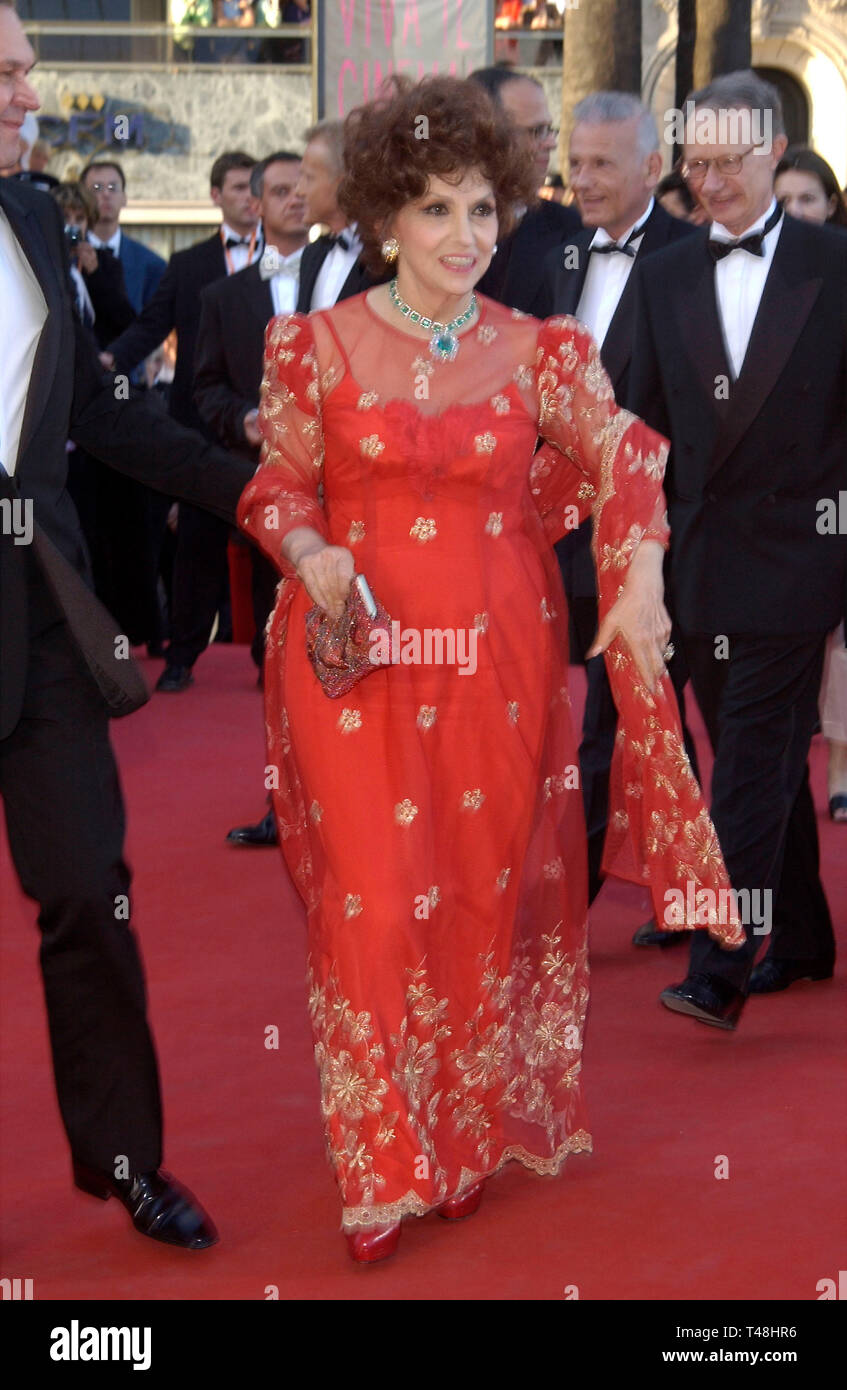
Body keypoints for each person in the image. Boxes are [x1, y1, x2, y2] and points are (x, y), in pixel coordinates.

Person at [237, 74, 742, 1264]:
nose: (465, 238)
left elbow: (624, 456)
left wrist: (641, 578)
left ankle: (459, 1136)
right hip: (355, 658)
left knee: (471, 898)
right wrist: (305, 550)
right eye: (434, 212)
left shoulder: (545, 351)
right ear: (381, 220)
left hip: (499, 664)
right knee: (369, 901)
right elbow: (275, 485)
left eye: (481, 209)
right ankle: (378, 1164)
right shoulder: (310, 345)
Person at [0, 0, 256, 1247]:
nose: (26, 93)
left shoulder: (36, 216)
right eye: (2, 74)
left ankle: (127, 1158)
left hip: (40, 617)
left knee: (89, 890)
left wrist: (262, 496)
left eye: (27, 70)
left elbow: (99, 410)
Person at [628, 71, 846, 1024]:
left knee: (750, 758)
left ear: (773, 154)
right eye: (693, 161)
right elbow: (637, 414)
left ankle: (723, 956)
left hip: (803, 559)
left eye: (723, 161)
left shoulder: (833, 266)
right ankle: (799, 934)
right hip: (700, 561)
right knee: (756, 751)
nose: (705, 180)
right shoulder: (665, 268)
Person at [536, 92, 700, 942]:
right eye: (576, 159)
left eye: (602, 163)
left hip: (654, 536)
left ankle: (568, 903)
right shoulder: (560, 255)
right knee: (639, 715)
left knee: (613, 714)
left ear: (649, 168)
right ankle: (685, 894)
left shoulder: (690, 256)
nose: (582, 176)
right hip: (569, 524)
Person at [106, 151, 262, 692]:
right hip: (201, 431)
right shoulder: (189, 264)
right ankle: (182, 657)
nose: (248, 196)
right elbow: (152, 327)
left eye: (253, 187)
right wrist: (105, 366)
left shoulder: (295, 262)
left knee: (272, 548)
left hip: (273, 434)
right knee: (196, 548)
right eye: (238, 187)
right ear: (216, 195)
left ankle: (272, 657)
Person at [194, 151, 307, 678]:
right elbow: (206, 384)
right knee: (268, 571)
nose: (297, 198)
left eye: (304, 186)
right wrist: (242, 419)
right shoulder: (221, 297)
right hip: (258, 462)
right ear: (257, 203)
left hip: (344, 459)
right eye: (282, 190)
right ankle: (274, 662)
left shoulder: (356, 282)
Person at [774, 147, 847, 824]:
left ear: (830, 205)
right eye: (785, 200)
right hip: (786, 503)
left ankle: (842, 763)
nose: (797, 213)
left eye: (808, 200)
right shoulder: (755, 289)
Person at [469, 66, 581, 312]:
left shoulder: (572, 233)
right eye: (536, 132)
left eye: (549, 130)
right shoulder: (424, 231)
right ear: (487, 136)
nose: (550, 143)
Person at [295, 120, 381, 312]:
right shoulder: (312, 255)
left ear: (343, 184)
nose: (299, 190)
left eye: (308, 178)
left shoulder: (388, 260)